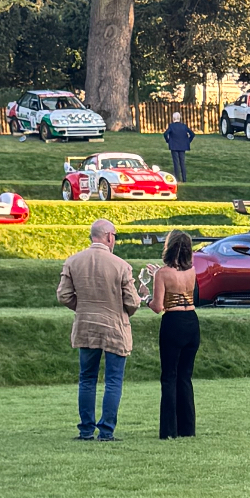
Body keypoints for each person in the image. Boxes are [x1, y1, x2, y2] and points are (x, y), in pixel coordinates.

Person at [58, 219, 140, 442]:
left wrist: (83, 308)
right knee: (113, 380)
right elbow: (132, 302)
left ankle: (86, 430)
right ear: (110, 237)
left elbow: (63, 295)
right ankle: (106, 430)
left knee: (87, 379)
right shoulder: (121, 265)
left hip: (85, 326)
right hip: (114, 326)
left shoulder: (73, 261)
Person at [148, 229, 200, 439]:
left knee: (169, 376)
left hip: (173, 322)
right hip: (192, 321)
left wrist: (145, 296)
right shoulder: (192, 271)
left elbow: (158, 306)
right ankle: (187, 428)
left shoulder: (163, 273)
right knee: (185, 377)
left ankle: (169, 430)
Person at [163, 112, 194, 184]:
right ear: (180, 118)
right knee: (182, 163)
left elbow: (165, 134)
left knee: (176, 163)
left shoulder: (171, 126)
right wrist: (188, 141)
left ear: (173, 118)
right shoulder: (184, 126)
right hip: (182, 146)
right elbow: (192, 134)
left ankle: (177, 179)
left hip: (174, 146)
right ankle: (184, 179)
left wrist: (168, 141)